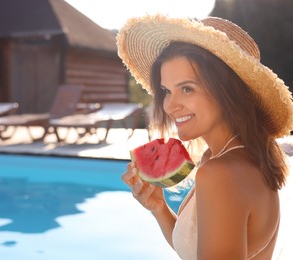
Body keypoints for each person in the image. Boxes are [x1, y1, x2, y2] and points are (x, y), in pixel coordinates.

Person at [118, 15, 293, 259]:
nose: (170, 105)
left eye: (187, 88)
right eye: (167, 91)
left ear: (227, 92)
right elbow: (198, 249)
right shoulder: (236, 156)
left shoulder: (220, 173)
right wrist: (159, 208)